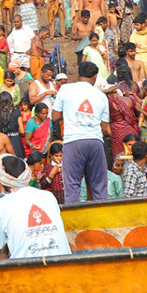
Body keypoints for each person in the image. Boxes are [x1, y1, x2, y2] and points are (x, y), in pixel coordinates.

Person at [0, 155, 70, 261]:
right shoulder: (48, 196)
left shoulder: (0, 206)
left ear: (2, 179)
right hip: (63, 264)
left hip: (24, 271)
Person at [51, 61, 111, 202]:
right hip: (95, 141)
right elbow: (105, 128)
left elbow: (54, 116)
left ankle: (74, 223)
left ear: (78, 74)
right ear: (95, 77)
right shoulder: (102, 96)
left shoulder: (65, 89)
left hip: (73, 142)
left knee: (72, 187)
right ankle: (103, 221)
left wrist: (71, 114)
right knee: (99, 186)